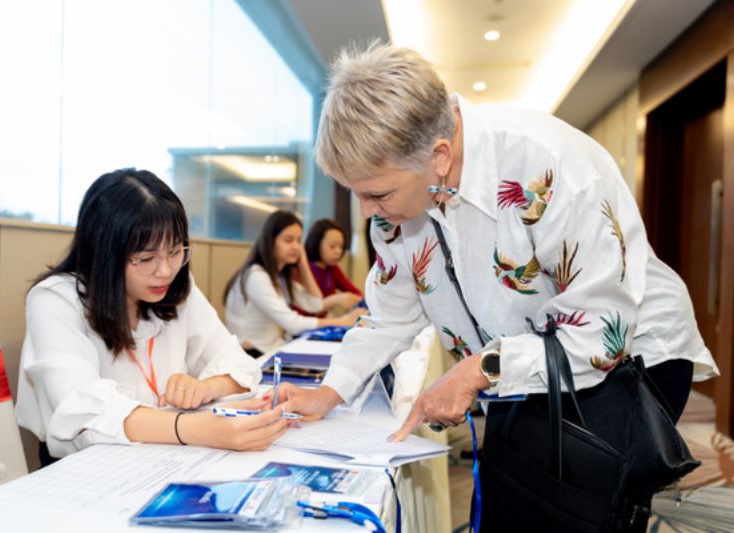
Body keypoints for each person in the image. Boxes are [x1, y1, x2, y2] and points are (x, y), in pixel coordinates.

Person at [273, 44, 719, 529]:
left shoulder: (548, 166)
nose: (365, 212)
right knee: (509, 498)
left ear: (438, 156)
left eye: (376, 193)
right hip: (519, 363)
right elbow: (389, 316)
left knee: (577, 509)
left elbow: (599, 334)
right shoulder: (400, 202)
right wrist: (329, 391)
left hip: (627, 359)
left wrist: (475, 372)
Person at [16, 169, 289, 464]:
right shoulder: (55, 300)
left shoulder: (174, 289)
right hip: (87, 466)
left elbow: (238, 363)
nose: (166, 271)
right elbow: (82, 410)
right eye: (146, 258)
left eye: (175, 252)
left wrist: (205, 387)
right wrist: (196, 429)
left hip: (163, 454)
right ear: (104, 254)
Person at [224, 210, 364, 357]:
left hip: (270, 348)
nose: (296, 247)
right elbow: (293, 323)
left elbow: (315, 304)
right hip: (250, 354)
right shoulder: (256, 276)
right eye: (289, 240)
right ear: (270, 242)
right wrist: (343, 321)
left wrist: (303, 263)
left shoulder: (280, 276)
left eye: (299, 241)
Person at [304, 218, 364, 314]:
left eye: (341, 247)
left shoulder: (332, 269)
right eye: (332, 246)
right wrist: (337, 299)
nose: (338, 251)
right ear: (316, 243)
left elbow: (354, 291)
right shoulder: (304, 268)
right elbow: (307, 309)